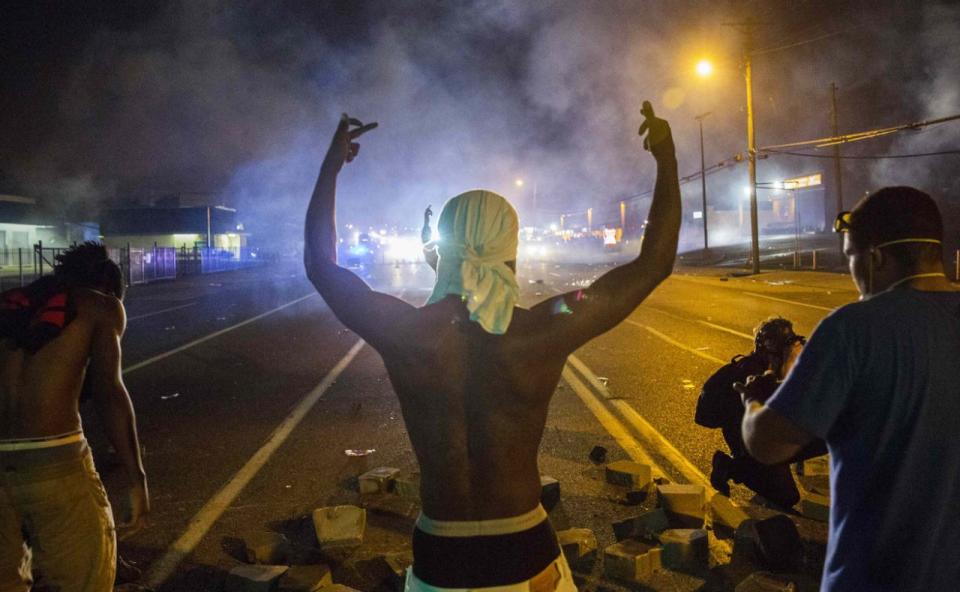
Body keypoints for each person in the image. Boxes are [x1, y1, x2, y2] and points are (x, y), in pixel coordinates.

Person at [304, 110, 680, 590]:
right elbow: (653, 264)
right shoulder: (544, 329)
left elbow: (321, 266)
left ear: (446, 251)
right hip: (523, 545)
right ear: (510, 247)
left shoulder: (407, 333)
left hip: (441, 550)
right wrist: (666, 157)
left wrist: (331, 166)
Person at [738, 186, 960, 591]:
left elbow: (768, 445)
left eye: (851, 258)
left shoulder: (853, 329)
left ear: (875, 257)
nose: (852, 273)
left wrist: (752, 401)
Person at [0, 242, 149, 591]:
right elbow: (109, 393)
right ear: (109, 285)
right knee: (87, 579)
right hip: (55, 463)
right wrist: (136, 476)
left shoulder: (11, 302)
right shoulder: (101, 306)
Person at [695, 317, 811, 508]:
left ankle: (766, 467)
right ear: (771, 350)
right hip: (749, 440)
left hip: (765, 432)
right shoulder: (754, 374)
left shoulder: (771, 368)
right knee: (787, 497)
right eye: (786, 350)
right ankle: (730, 466)